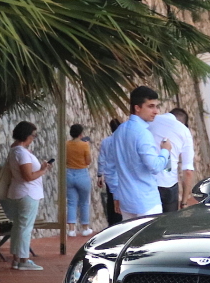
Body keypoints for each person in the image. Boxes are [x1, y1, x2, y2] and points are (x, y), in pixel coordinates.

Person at [99, 86, 173, 220]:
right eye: (151, 106)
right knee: (150, 240)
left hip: (126, 202)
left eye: (157, 106)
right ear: (137, 108)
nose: (156, 111)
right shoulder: (143, 134)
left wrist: (116, 195)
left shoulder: (119, 132)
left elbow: (109, 168)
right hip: (147, 202)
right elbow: (155, 166)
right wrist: (165, 150)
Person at [2, 121, 52, 271]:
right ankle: (23, 259)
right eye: (33, 135)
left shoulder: (16, 150)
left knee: (18, 226)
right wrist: (43, 170)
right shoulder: (22, 153)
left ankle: (17, 258)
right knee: (25, 227)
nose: (33, 138)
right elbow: (28, 176)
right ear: (26, 135)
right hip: (27, 193)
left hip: (19, 192)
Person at [149, 106, 197, 212]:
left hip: (147, 183)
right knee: (168, 225)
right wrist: (184, 202)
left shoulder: (151, 121)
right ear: (184, 123)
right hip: (168, 186)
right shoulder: (184, 131)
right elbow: (188, 171)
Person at [64, 124, 94, 237]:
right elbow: (88, 161)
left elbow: (65, 159)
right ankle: (85, 228)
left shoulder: (66, 144)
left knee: (71, 202)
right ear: (81, 134)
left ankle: (71, 229)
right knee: (84, 202)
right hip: (82, 173)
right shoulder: (84, 145)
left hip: (69, 173)